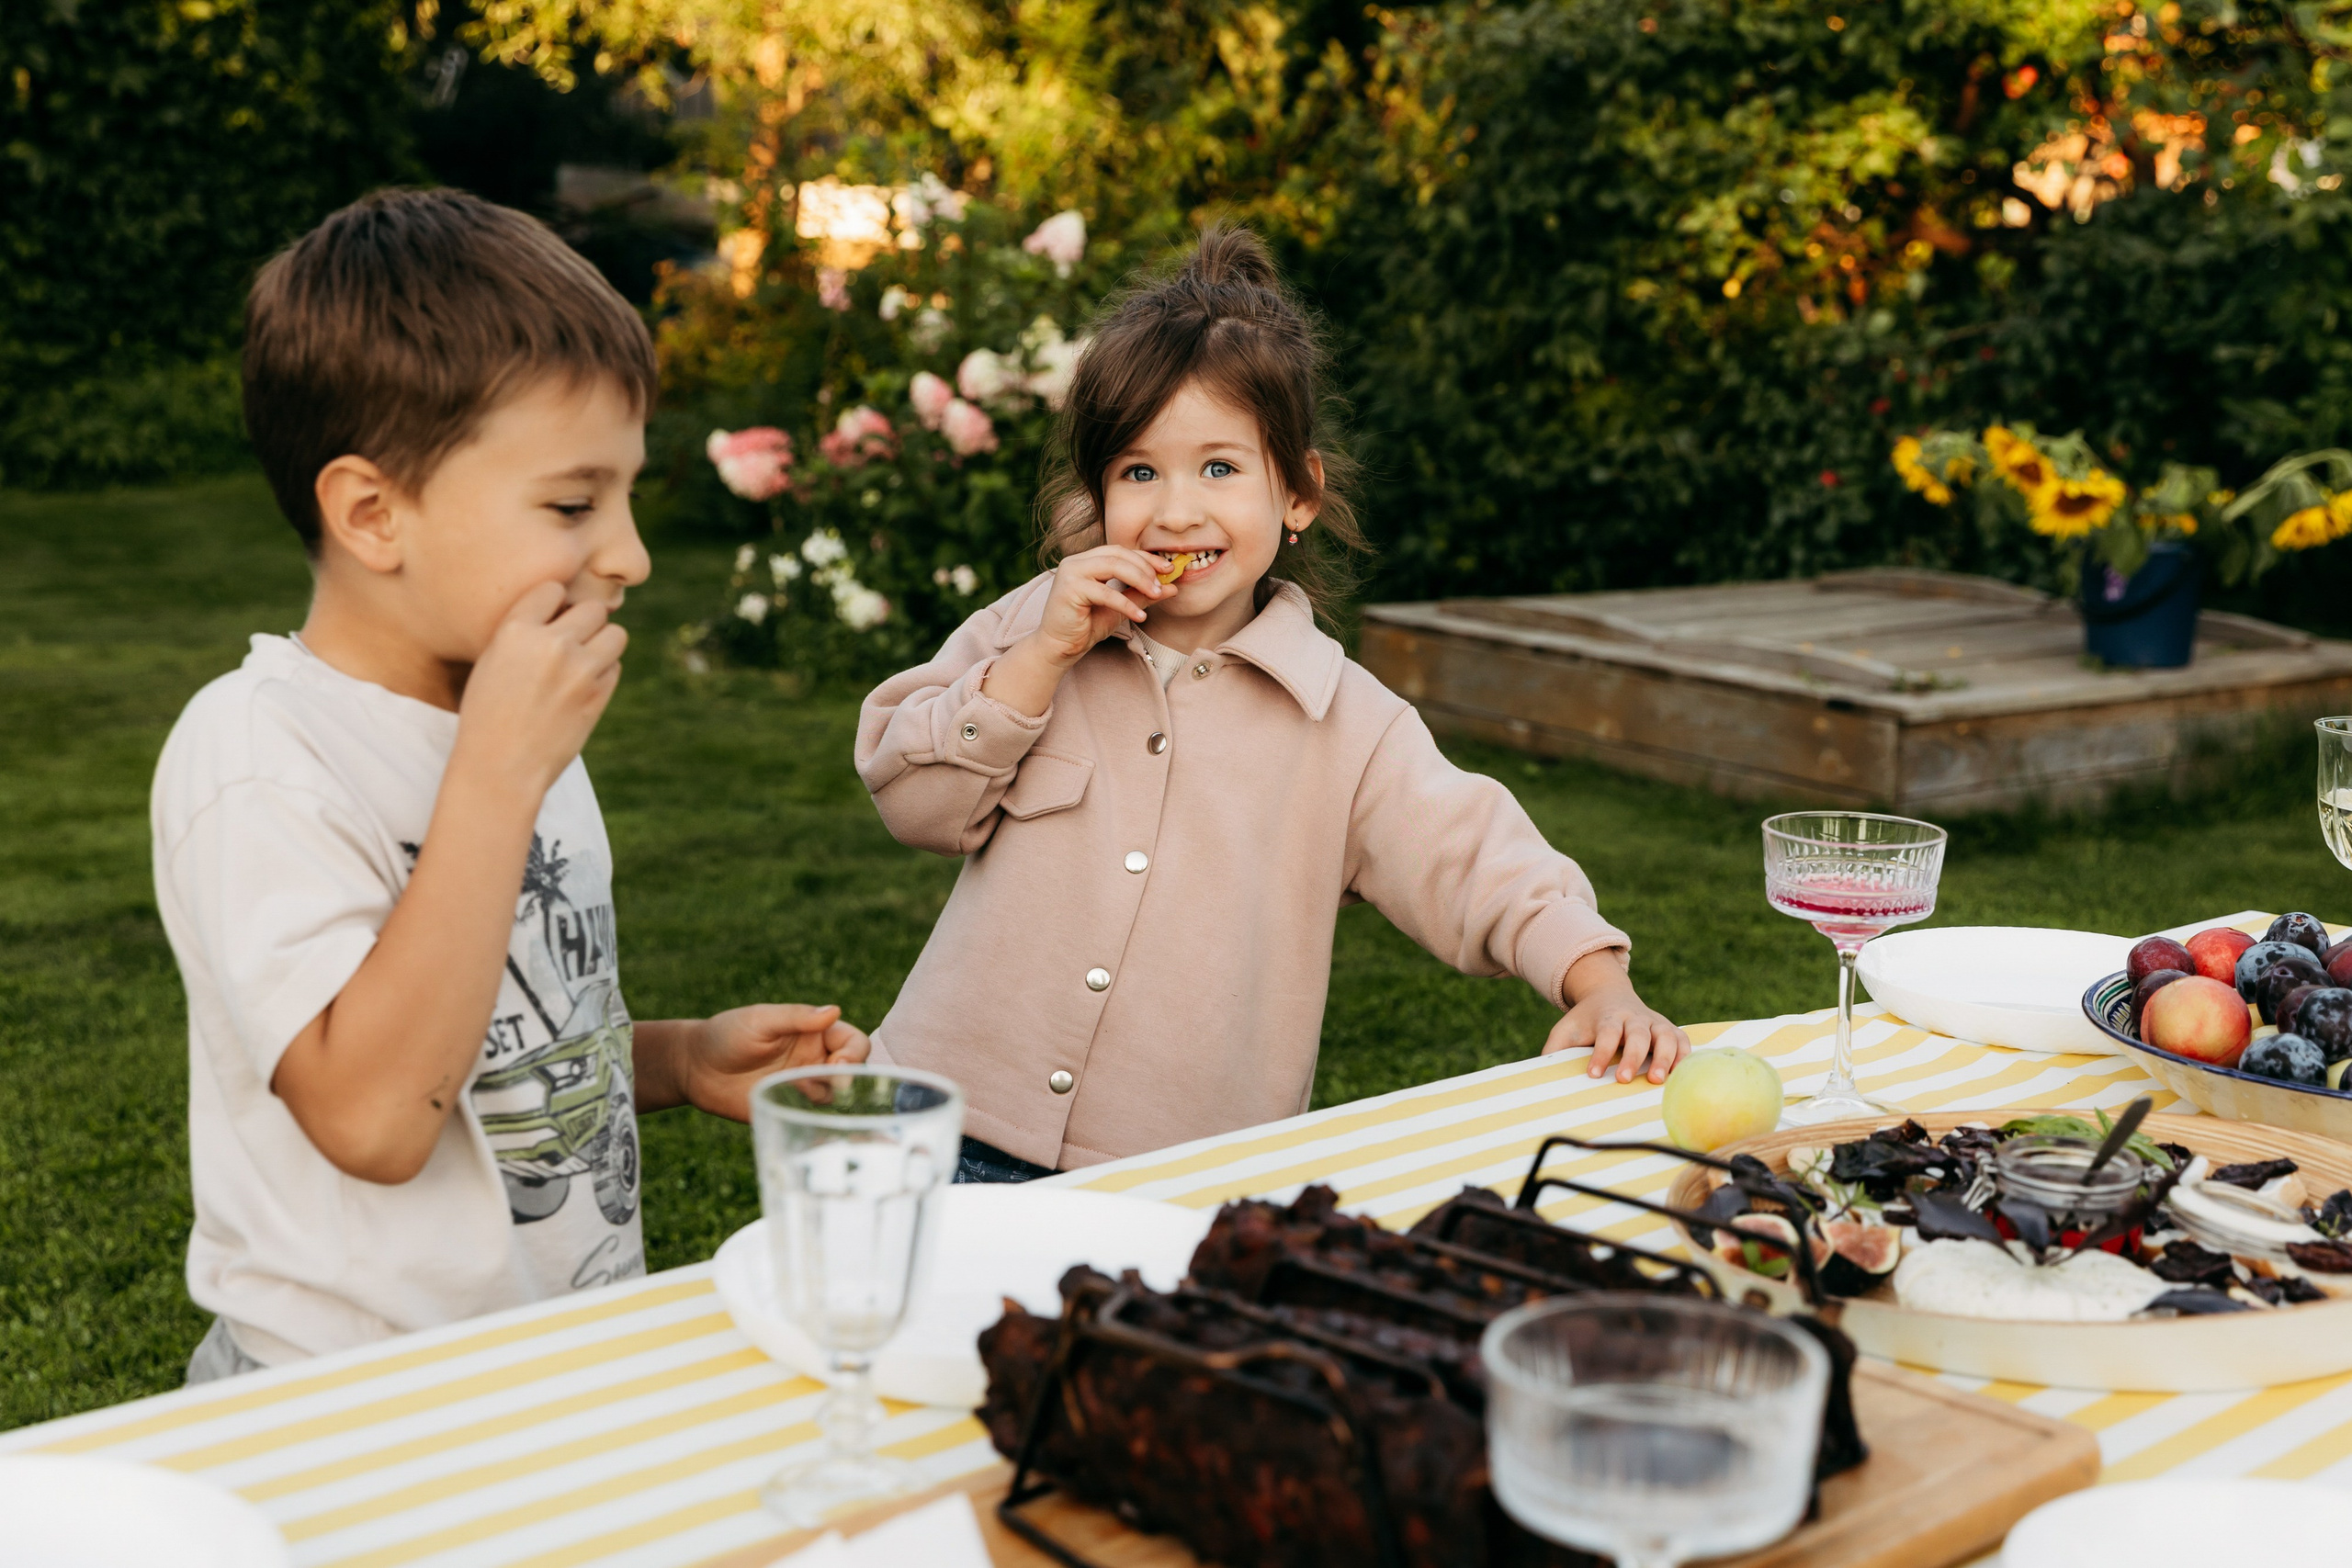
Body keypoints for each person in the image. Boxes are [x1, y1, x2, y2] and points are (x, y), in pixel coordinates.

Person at [153, 188, 869, 1382]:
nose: (631, 555)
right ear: (374, 514)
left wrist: (678, 1060)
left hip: (550, 1361)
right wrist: (494, 775)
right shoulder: (259, 756)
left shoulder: (505, 726)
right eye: (574, 504)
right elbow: (375, 1118)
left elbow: (511, 1041)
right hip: (348, 1401)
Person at [856, 227, 1689, 1184]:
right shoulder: (1033, 631)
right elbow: (914, 804)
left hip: (1175, 1174)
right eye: (1138, 471)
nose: (1176, 510)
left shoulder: (1349, 724)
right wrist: (1040, 658)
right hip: (931, 1120)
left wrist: (1598, 981)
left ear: (1297, 493)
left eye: (1219, 468)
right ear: (1097, 495)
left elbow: (1484, 864)